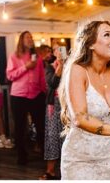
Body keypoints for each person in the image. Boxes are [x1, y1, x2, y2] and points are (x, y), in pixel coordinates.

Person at [57, 21, 110, 180]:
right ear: (90, 44)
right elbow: (80, 118)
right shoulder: (78, 70)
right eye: (107, 35)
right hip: (79, 160)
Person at [6, 30, 48, 165]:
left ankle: (44, 152)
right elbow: (10, 76)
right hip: (19, 96)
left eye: (31, 37)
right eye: (27, 37)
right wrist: (26, 67)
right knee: (20, 127)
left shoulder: (38, 57)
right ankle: (22, 156)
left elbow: (41, 77)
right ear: (21, 40)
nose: (30, 39)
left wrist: (44, 91)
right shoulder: (14, 56)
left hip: (36, 95)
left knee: (41, 126)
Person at [39, 42, 66, 180]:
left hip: (67, 106)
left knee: (67, 137)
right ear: (54, 53)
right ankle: (50, 171)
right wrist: (60, 65)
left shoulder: (71, 67)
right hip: (54, 105)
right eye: (56, 50)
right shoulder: (49, 67)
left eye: (62, 49)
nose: (59, 52)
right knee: (52, 136)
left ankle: (68, 170)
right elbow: (53, 83)